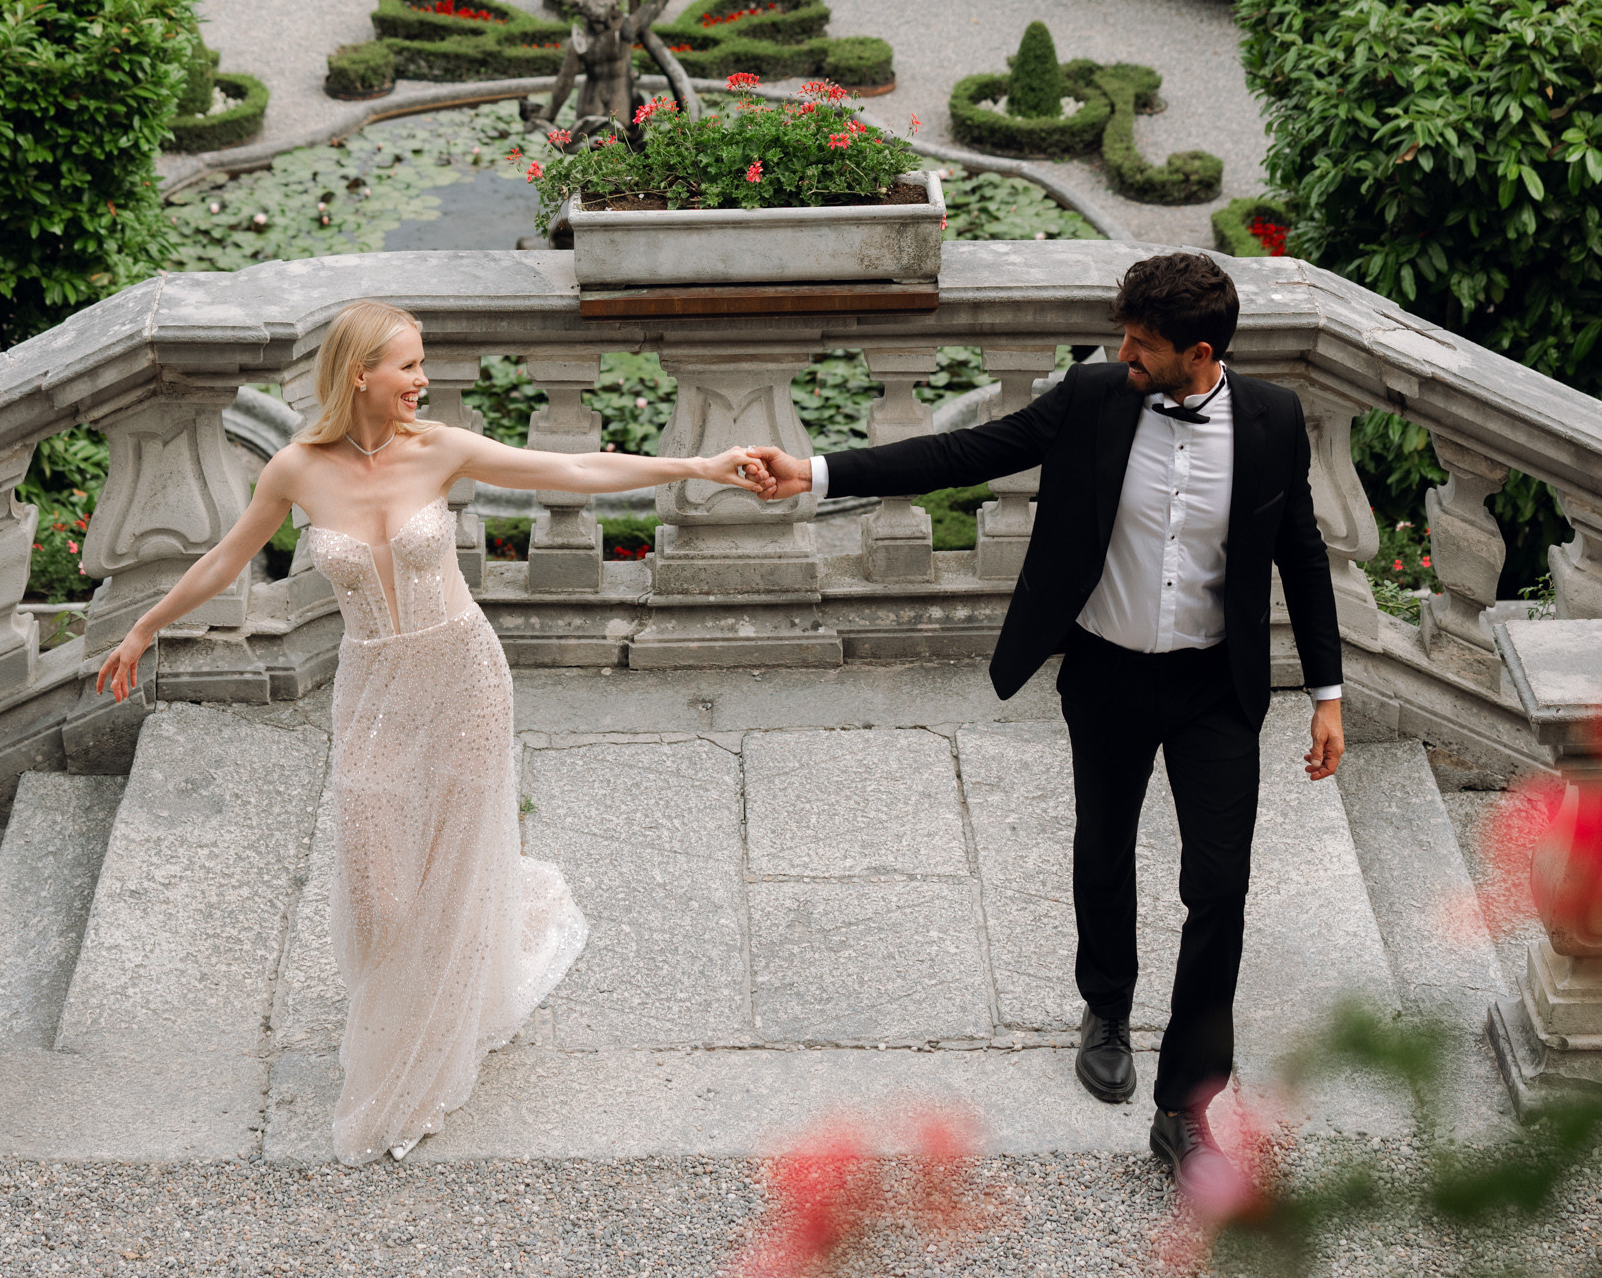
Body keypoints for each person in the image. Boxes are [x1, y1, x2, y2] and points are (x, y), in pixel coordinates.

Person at [95, 297, 763, 1162]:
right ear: (359, 372)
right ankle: (414, 1008)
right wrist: (144, 627)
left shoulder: (440, 449)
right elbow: (229, 556)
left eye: (422, 364)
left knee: (448, 868)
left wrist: (698, 465)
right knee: (381, 893)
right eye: (407, 366)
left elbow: (572, 471)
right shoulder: (296, 470)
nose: (422, 380)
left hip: (462, 675)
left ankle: (411, 1072)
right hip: (373, 686)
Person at [743, 249, 1344, 1180]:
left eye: (1140, 345)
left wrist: (1328, 695)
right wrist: (815, 473)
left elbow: (1300, 552)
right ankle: (1106, 1005)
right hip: (1104, 672)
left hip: (1213, 690)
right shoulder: (1096, 398)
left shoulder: (1271, 418)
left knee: (1218, 891)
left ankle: (1187, 1109)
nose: (1122, 354)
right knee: (1103, 844)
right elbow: (959, 453)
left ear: (1199, 350)